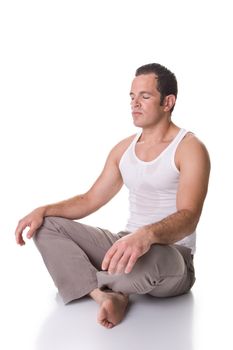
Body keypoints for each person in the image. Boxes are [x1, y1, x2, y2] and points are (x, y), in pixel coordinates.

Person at [15, 63, 210, 329]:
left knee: (141, 265)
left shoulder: (190, 148)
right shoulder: (123, 150)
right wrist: (43, 210)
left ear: (168, 102)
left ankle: (80, 278)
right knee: (47, 226)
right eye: (132, 96)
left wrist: (147, 235)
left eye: (145, 96)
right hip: (125, 243)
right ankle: (104, 294)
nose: (135, 104)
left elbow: (189, 217)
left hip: (172, 255)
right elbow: (89, 200)